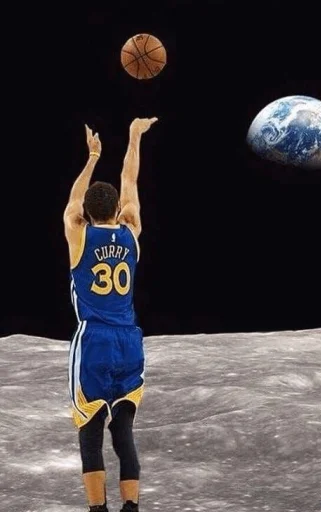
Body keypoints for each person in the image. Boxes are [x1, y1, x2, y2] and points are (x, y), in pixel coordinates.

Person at [63, 117, 158, 512]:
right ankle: (131, 508)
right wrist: (134, 136)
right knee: (123, 432)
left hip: (95, 342)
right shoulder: (131, 231)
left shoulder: (79, 234)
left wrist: (92, 157)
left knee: (90, 433)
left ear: (85, 213)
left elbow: (71, 205)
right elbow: (130, 179)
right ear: (119, 210)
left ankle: (97, 510)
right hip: (129, 342)